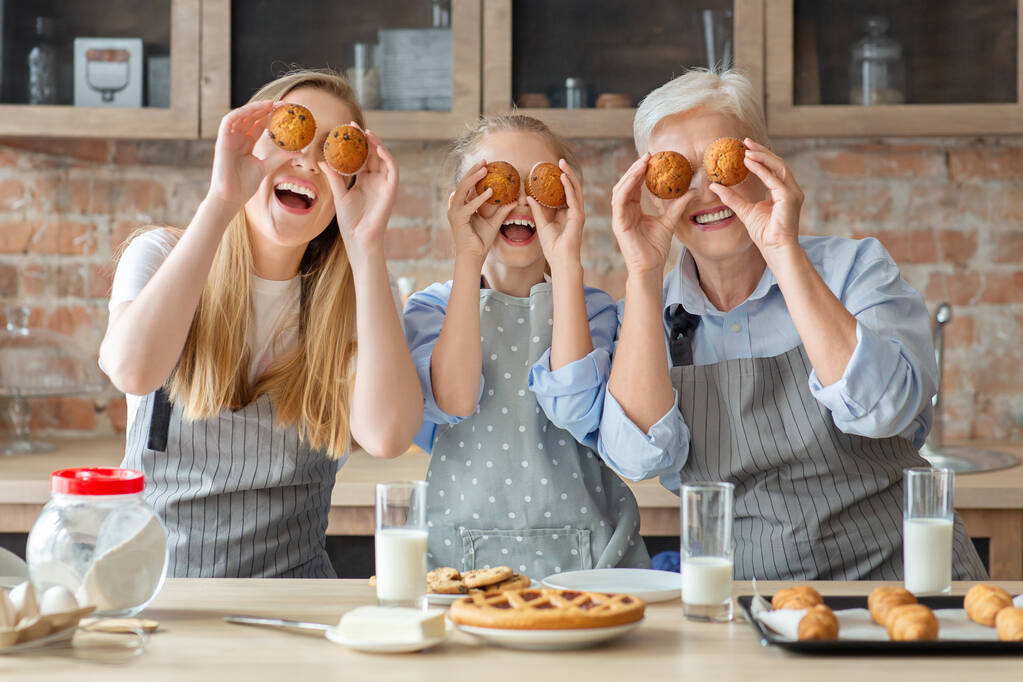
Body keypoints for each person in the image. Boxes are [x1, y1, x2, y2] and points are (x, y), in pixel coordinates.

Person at [598, 68, 986, 581]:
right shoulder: (651, 313)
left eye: (723, 164)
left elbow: (885, 411)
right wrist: (644, 273)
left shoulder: (854, 271)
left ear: (763, 162)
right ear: (651, 190)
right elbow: (635, 457)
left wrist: (782, 251)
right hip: (745, 601)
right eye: (676, 174)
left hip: (907, 582)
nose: (706, 191)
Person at [99, 70, 422, 578]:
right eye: (291, 137)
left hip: (294, 601)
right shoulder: (160, 256)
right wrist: (222, 201)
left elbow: (387, 437)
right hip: (157, 593)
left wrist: (367, 244)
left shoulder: (351, 305)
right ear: (253, 146)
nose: (307, 161)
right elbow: (132, 371)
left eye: (333, 154)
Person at [403, 115, 649, 577]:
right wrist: (468, 257)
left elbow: (575, 408)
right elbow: (453, 398)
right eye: (497, 185)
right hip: (459, 560)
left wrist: (566, 264)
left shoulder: (595, 311)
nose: (518, 201)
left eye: (538, 184)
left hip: (592, 560)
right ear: (461, 203)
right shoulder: (430, 310)